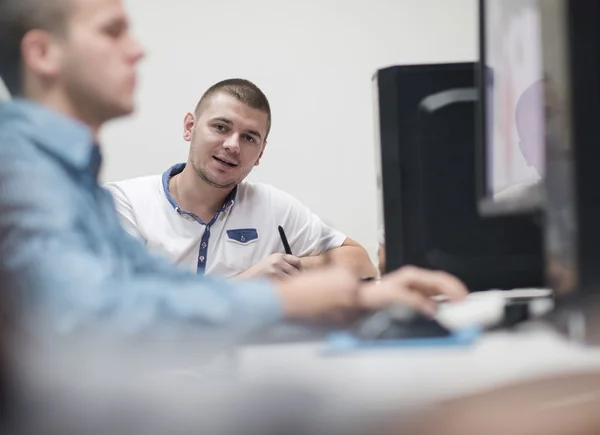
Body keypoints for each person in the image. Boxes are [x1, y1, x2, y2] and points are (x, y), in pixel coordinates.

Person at [0, 0, 467, 334]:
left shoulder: (68, 177)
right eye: (112, 30)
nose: (138, 49)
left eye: (249, 137)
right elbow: (96, 321)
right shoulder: (20, 173)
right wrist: (279, 298)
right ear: (43, 54)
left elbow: (148, 283)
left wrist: (361, 296)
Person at [106, 79, 377, 280]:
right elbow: (123, 305)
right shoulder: (124, 203)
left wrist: (288, 267)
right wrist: (246, 284)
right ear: (190, 127)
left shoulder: (272, 206)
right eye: (221, 127)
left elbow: (361, 262)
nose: (233, 145)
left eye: (249, 137)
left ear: (260, 153)